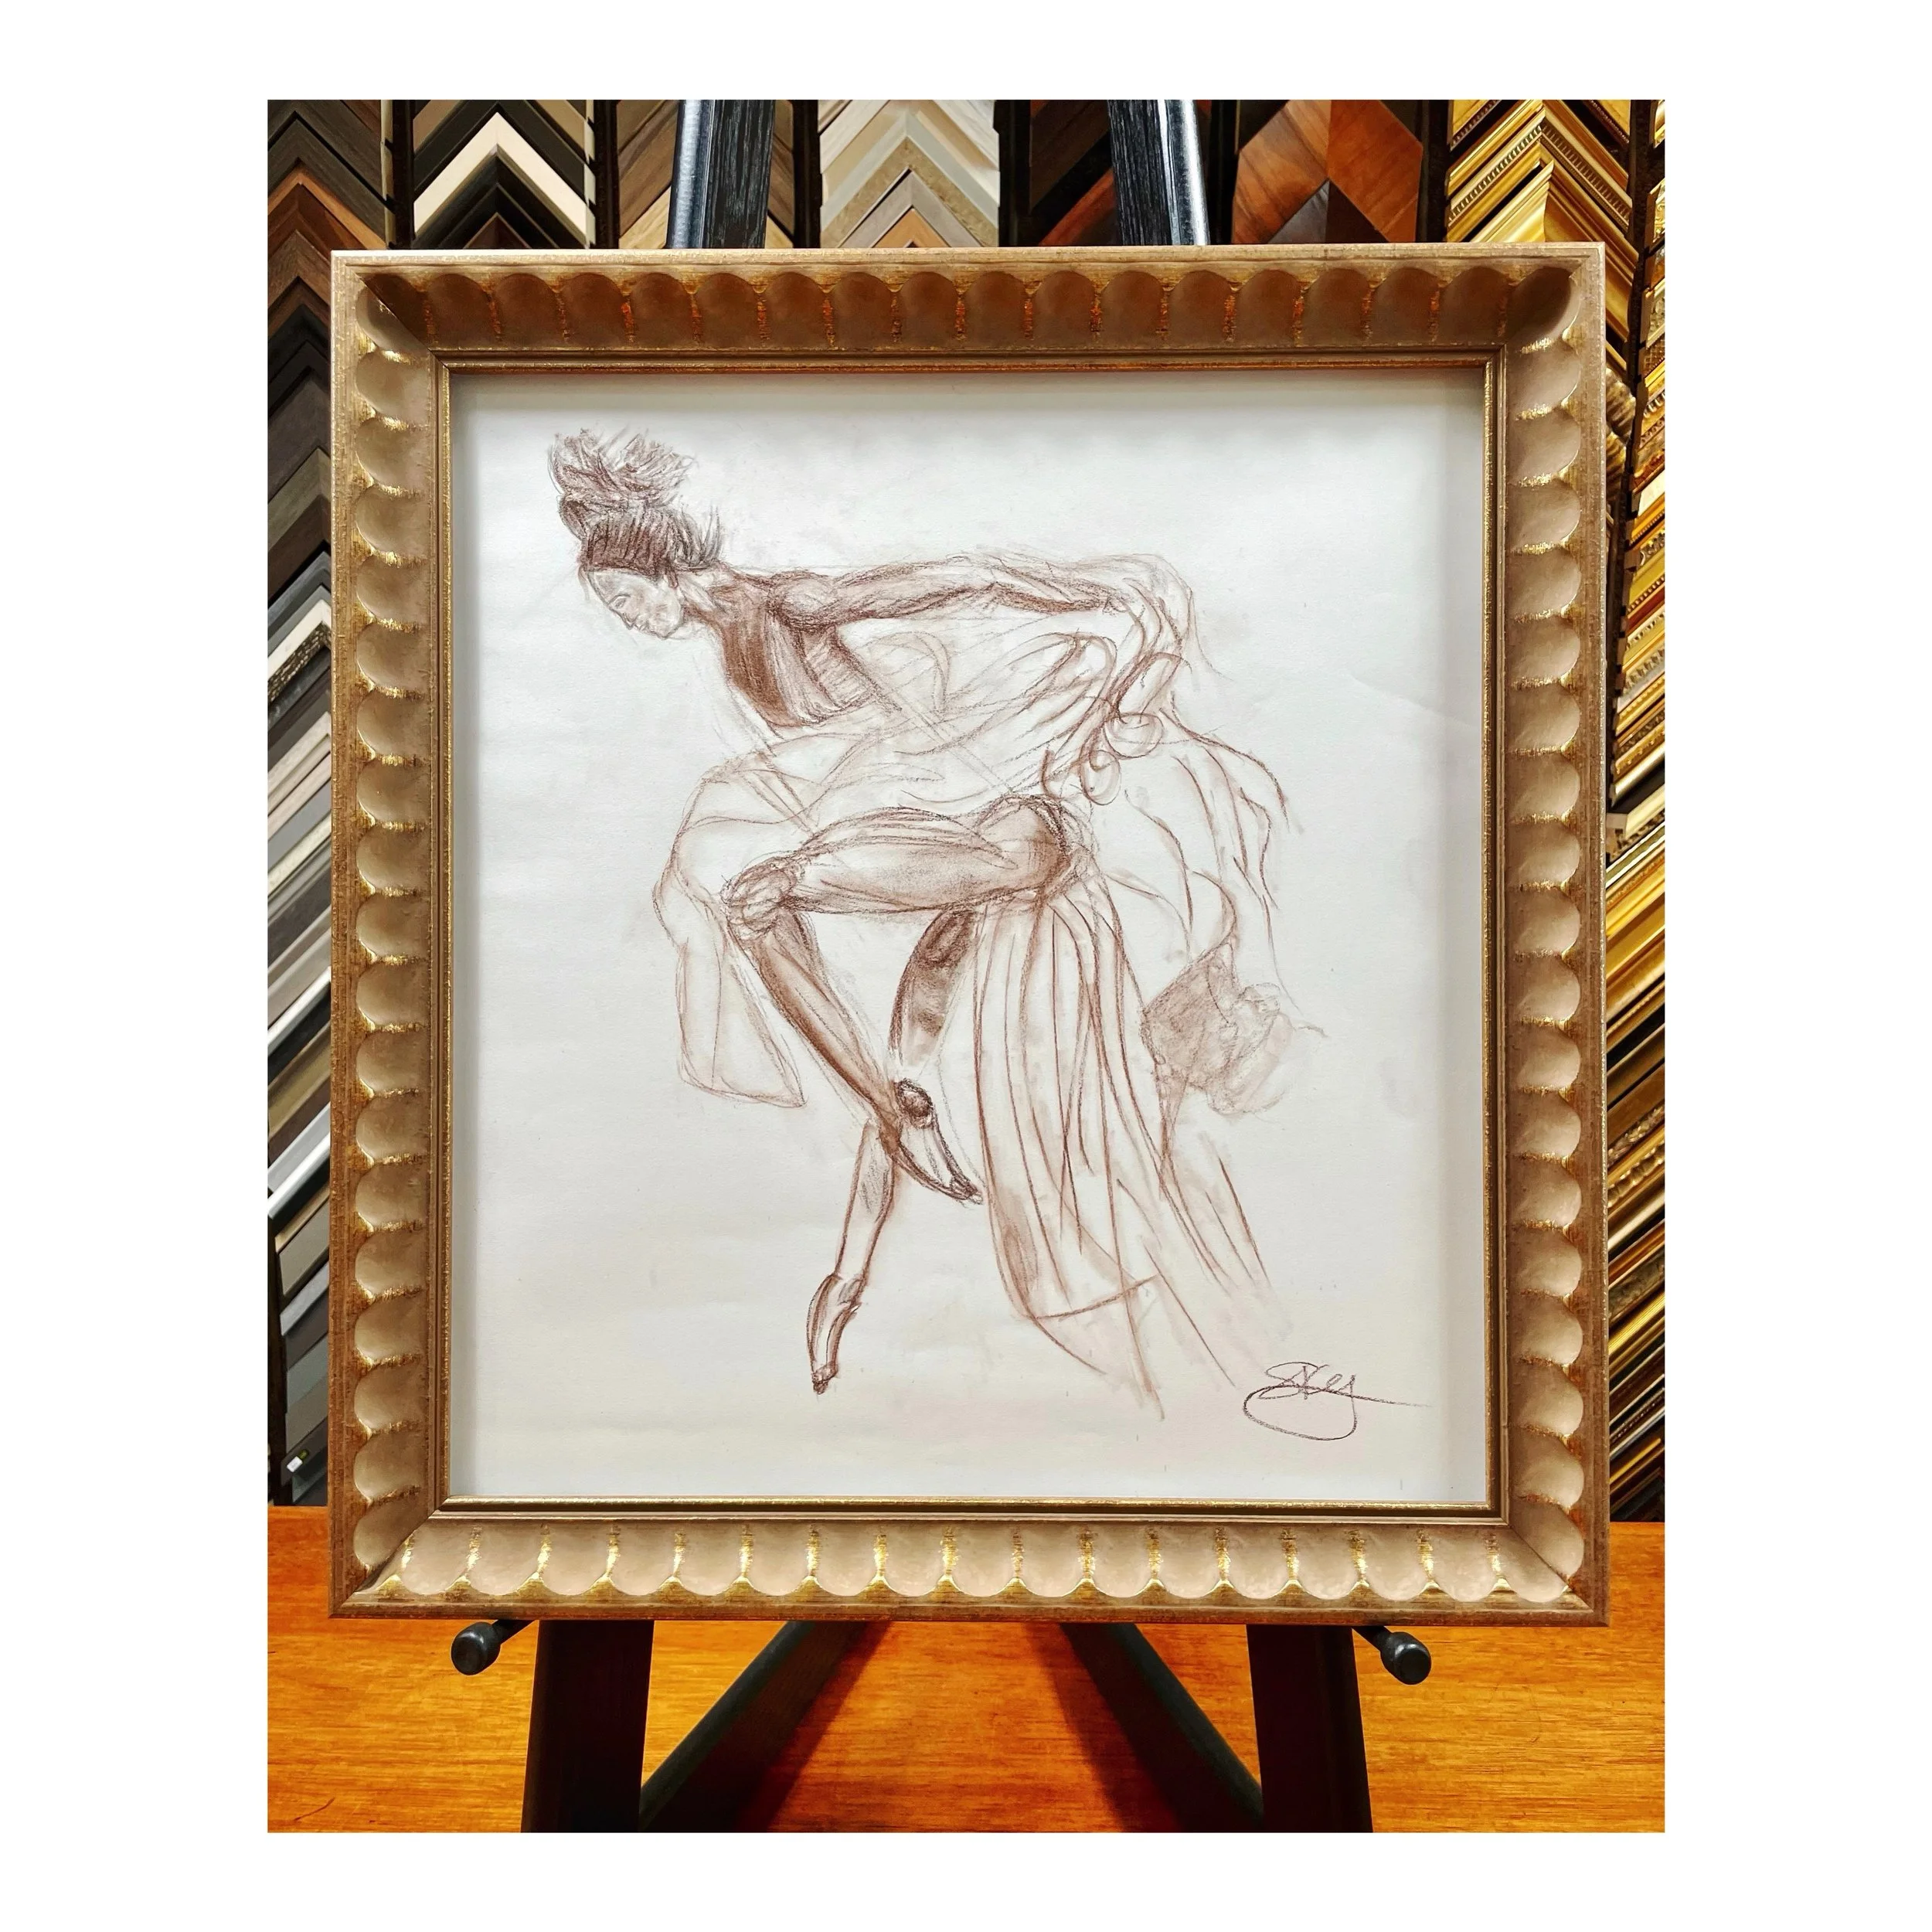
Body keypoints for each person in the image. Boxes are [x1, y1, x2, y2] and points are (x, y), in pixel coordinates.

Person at [550, 430, 1301, 1402]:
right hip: (865, 795)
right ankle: (883, 1110)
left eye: (623, 601)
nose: (628, 623)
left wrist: (1090, 591)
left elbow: (953, 578)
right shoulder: (733, 632)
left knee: (738, 882)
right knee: (734, 892)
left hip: (925, 783)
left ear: (663, 571)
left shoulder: (781, 602)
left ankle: (885, 1111)